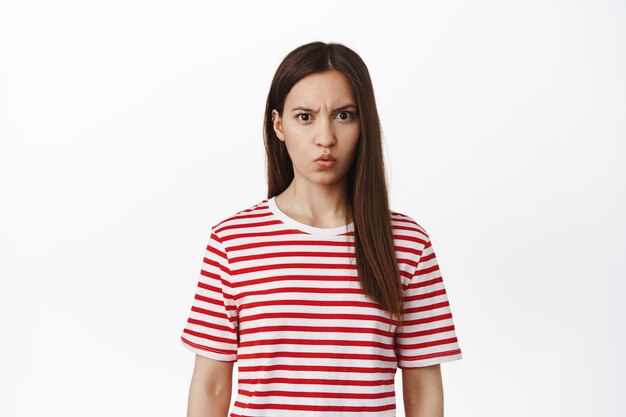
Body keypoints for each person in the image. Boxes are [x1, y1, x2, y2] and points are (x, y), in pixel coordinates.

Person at [180, 41, 463, 417]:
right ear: (278, 125)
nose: (325, 138)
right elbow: (211, 386)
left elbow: (423, 391)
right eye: (305, 117)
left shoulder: (407, 244)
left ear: (365, 124)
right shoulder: (233, 241)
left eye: (344, 115)